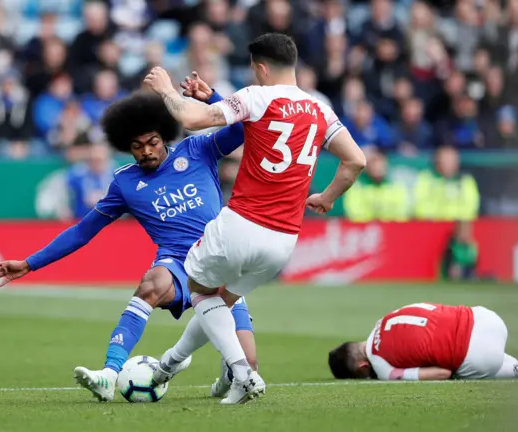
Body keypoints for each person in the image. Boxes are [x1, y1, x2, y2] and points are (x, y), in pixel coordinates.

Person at [0, 75, 258, 402]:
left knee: (248, 363)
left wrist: (212, 96)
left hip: (221, 262)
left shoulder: (198, 149)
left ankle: (222, 377)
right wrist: (30, 263)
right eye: (137, 146)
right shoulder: (124, 184)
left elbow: (244, 128)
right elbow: (82, 231)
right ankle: (109, 375)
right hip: (178, 266)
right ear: (126, 147)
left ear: (164, 136)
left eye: (152, 142)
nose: (146, 151)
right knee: (150, 284)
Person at [143, 32, 366, 404]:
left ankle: (244, 372)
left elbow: (192, 120)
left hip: (242, 223)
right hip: (283, 241)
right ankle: (170, 363)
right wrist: (326, 198)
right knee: (221, 301)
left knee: (199, 292)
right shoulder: (319, 109)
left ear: (260, 68)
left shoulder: (255, 95)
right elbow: (355, 160)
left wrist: (167, 89)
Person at [328, 302, 518, 381]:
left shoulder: (382, 368)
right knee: (468, 345)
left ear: (362, 367)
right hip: (486, 318)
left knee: (458, 369)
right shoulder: (388, 316)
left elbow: (440, 373)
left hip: (478, 356)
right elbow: (432, 308)